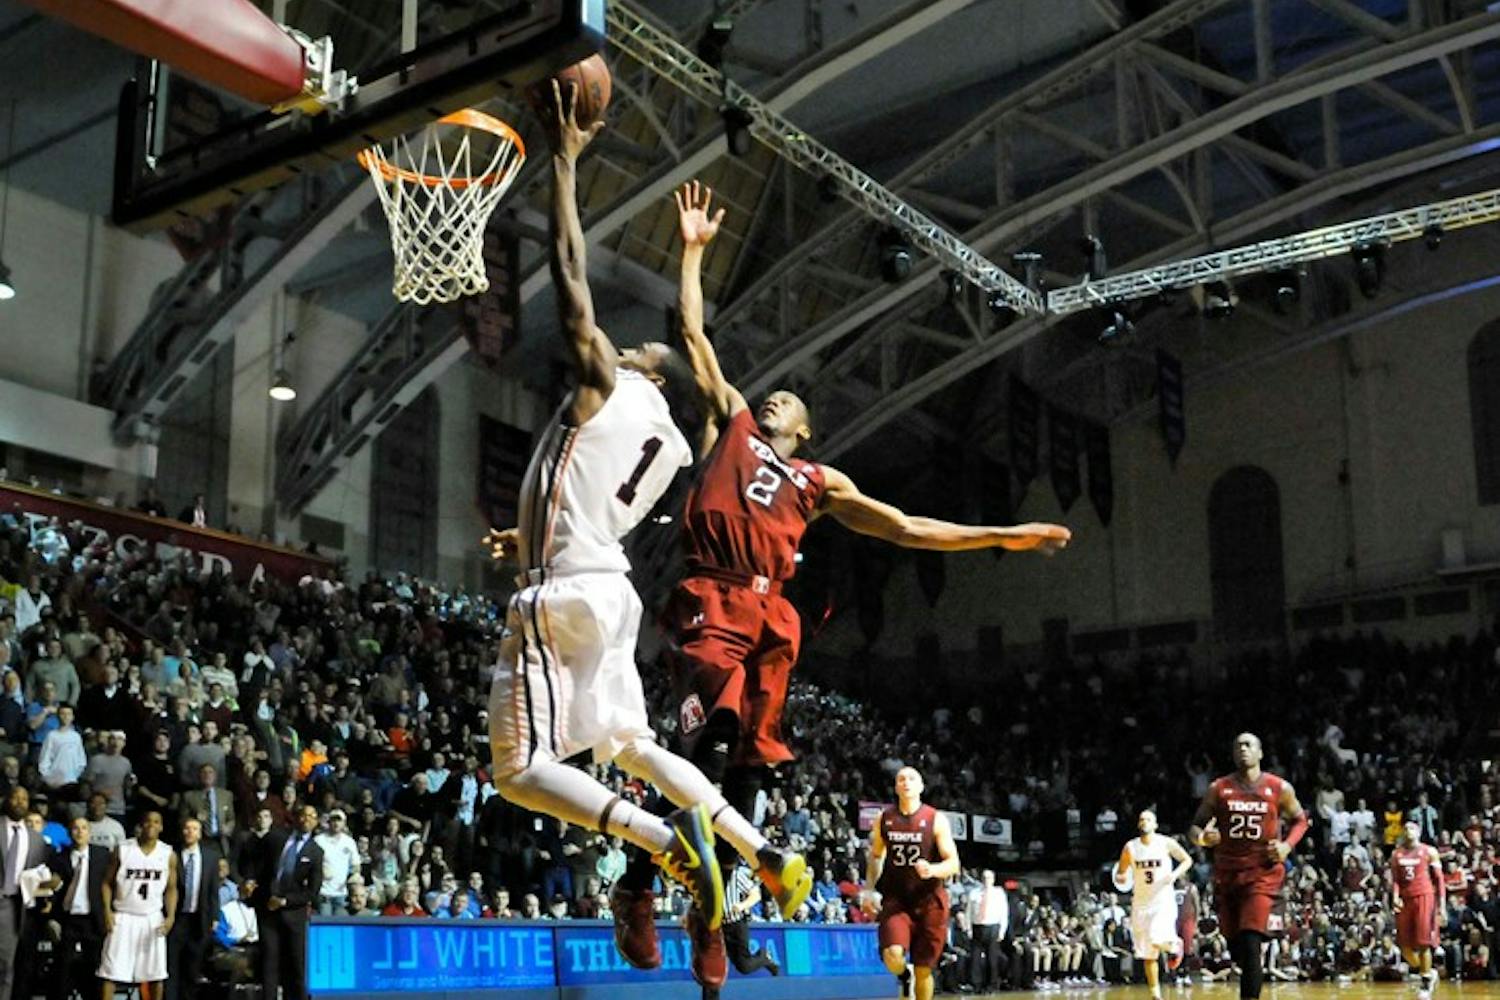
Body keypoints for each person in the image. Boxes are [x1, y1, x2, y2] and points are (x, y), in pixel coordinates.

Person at [612, 181, 1070, 986]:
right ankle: (641, 885)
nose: (777, 392)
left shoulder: (822, 481)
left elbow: (907, 528)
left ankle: (716, 914)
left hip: (767, 616)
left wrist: (1004, 533)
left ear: (808, 430)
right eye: (774, 392)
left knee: (750, 775)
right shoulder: (735, 423)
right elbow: (689, 329)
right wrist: (690, 252)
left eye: (791, 397)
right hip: (711, 598)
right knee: (705, 753)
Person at [481, 80, 809, 959]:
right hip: (609, 588)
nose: (616, 345)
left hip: (564, 597)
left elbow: (568, 270)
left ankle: (669, 847)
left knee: (518, 772)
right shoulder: (671, 442)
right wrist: (529, 536)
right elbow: (590, 499)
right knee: (626, 742)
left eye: (632, 350)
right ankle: (759, 849)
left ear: (643, 369)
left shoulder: (606, 382)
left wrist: (563, 159)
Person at [1188, 733, 1309, 1000]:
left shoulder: (1279, 787)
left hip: (1262, 874)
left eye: (1248, 745)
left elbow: (1301, 821)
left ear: (1260, 753)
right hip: (1228, 874)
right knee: (1235, 945)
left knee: (1251, 939)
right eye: (1238, 746)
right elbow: (1195, 828)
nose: (1243, 749)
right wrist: (1202, 838)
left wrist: (1287, 845)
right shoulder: (1219, 788)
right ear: (1233, 754)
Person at [861, 767, 961, 1000]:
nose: (906, 782)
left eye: (911, 778)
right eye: (901, 779)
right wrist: (868, 890)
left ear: (921, 786)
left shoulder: (936, 819)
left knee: (924, 969)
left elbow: (954, 863)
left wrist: (933, 869)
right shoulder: (884, 819)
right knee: (893, 956)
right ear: (896, 787)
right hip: (897, 899)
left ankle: (915, 982)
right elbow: (876, 856)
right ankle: (904, 976)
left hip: (929, 899)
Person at [245, 803, 324, 1000]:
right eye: (303, 815)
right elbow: (251, 858)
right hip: (267, 910)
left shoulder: (316, 852)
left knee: (296, 967)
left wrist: (285, 901)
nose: (306, 819)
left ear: (316, 823)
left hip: (293, 915)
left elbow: (312, 892)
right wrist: (249, 879)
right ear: (297, 818)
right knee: (269, 965)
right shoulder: (276, 837)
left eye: (312, 816)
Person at [98, 811, 178, 1000]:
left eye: (156, 822)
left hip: (152, 917)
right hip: (124, 915)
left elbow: (172, 889)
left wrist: (171, 916)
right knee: (110, 971)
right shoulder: (123, 849)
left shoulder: (168, 854)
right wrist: (107, 911)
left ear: (161, 827)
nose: (151, 825)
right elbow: (106, 883)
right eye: (147, 821)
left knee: (156, 973)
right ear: (140, 825)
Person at [1115, 809, 1193, 1000]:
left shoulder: (1165, 842)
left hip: (1162, 900)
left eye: (1148, 819)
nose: (1144, 822)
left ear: (1155, 825)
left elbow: (1187, 860)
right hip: (1141, 903)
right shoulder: (1130, 847)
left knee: (1156, 939)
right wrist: (1122, 876)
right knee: (1147, 953)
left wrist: (1174, 875)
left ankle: (1175, 947)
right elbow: (1122, 871)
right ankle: (1155, 994)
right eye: (1141, 819)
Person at [166, 817, 221, 1000]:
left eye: (194, 829)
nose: (190, 832)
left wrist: (214, 916)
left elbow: (213, 890)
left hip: (199, 919)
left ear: (200, 833)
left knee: (192, 969)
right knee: (171, 967)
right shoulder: (170, 854)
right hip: (176, 918)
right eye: (186, 828)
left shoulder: (211, 856)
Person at [1391, 818, 1445, 1000]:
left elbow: (1439, 880)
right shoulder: (1397, 854)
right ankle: (1427, 971)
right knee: (1404, 947)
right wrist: (1395, 897)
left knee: (1423, 943)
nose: (1408, 830)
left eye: (1412, 828)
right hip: (1405, 900)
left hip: (1424, 897)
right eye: (1405, 828)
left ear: (1419, 832)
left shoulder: (1429, 851)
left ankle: (1425, 981)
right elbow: (1395, 880)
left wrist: (1441, 907)